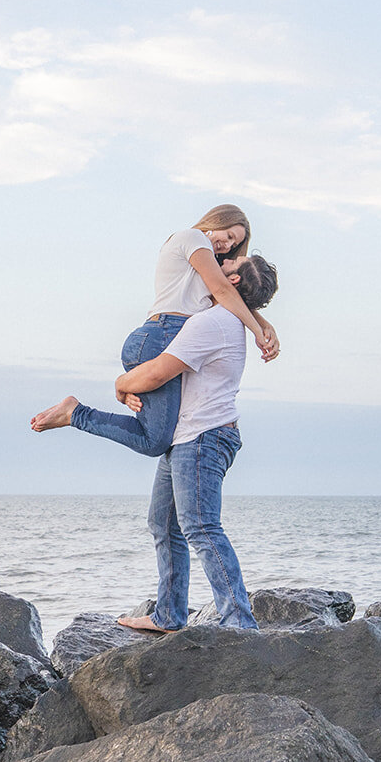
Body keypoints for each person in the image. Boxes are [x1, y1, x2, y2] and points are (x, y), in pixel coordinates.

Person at [114, 251, 279, 632]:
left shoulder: (216, 322)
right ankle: (169, 615)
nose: (216, 265)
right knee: (163, 524)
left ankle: (239, 623)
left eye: (227, 265)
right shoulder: (222, 317)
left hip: (203, 437)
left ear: (233, 282)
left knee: (202, 528)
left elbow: (157, 373)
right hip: (187, 436)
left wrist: (121, 385)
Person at [30, 204, 278, 453]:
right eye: (230, 236)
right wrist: (258, 331)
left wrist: (264, 324)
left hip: (165, 337)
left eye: (234, 246)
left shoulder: (208, 265)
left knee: (164, 433)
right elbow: (223, 290)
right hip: (164, 334)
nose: (228, 246)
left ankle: (93, 406)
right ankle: (76, 413)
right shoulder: (194, 239)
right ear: (217, 222)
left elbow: (228, 296)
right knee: (155, 441)